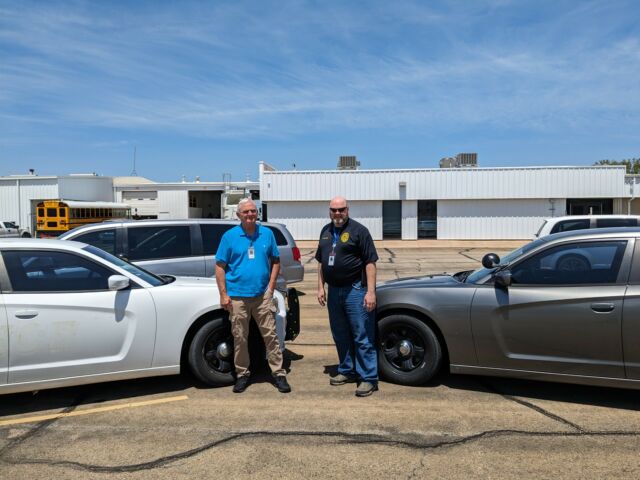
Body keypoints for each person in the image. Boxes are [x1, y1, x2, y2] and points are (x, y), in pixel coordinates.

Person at [215, 198, 291, 394]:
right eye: (245, 212)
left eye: (253, 211)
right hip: (237, 297)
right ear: (238, 215)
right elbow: (220, 266)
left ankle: (278, 373)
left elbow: (275, 261)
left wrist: (271, 287)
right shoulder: (229, 237)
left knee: (271, 336)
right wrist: (223, 294)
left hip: (262, 296)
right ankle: (242, 374)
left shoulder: (267, 234)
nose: (250, 215)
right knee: (240, 338)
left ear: (257, 213)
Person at [316, 196, 379, 397]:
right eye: (334, 210)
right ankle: (347, 370)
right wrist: (320, 288)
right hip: (334, 291)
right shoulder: (325, 232)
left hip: (355, 290)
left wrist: (370, 292)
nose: (337, 213)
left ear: (347, 210)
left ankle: (368, 378)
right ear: (329, 211)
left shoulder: (360, 231)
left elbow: (370, 263)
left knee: (362, 335)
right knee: (340, 334)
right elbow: (321, 262)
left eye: (341, 209)